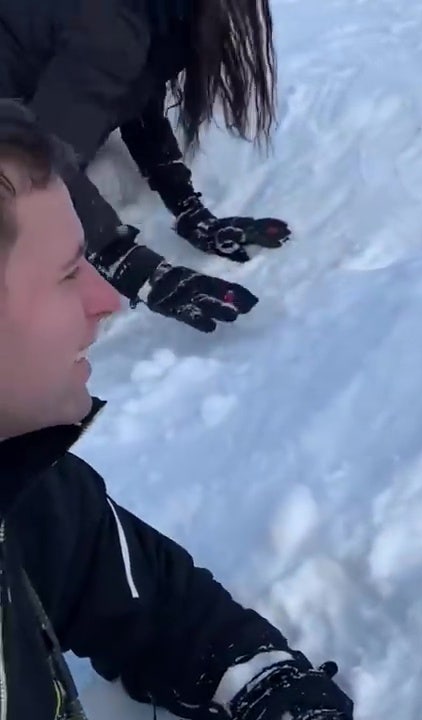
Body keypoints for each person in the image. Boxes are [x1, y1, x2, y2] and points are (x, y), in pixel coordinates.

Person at [0, 101, 352, 718]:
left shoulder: (25, 485)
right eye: (64, 275)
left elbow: (147, 599)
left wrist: (265, 685)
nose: (106, 300)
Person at [0, 0, 295, 333]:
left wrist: (189, 209)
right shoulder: (111, 29)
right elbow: (42, 161)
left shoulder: (153, 15)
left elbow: (136, 98)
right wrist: (130, 264)